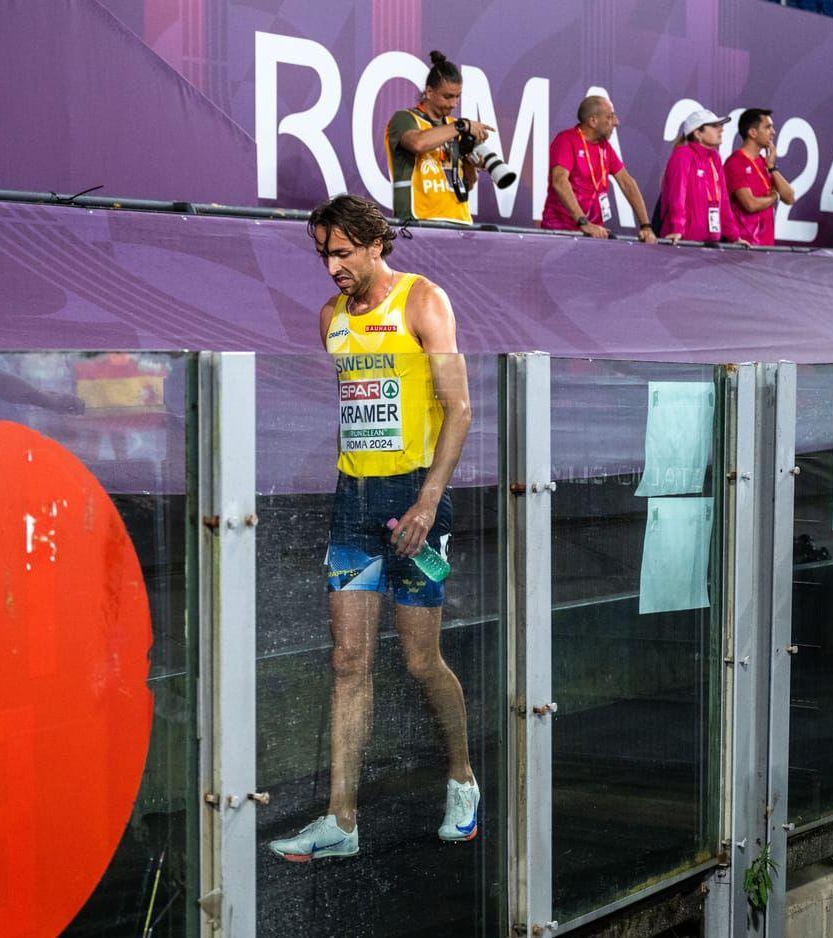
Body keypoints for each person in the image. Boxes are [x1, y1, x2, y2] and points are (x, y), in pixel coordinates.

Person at [268, 194, 478, 862]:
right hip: (353, 505)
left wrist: (426, 502)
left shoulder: (423, 301)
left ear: (374, 244)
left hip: (417, 502)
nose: (331, 267)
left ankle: (463, 778)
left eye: (341, 253)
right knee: (348, 659)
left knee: (420, 659)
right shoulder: (330, 319)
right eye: (323, 255)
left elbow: (461, 409)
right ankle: (342, 820)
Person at [385, 51, 495, 224]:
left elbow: (467, 185)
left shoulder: (454, 127)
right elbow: (418, 143)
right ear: (429, 92)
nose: (453, 103)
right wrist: (461, 126)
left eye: (457, 96)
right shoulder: (405, 119)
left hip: (460, 223)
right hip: (420, 221)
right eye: (448, 96)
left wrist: (469, 164)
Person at [539, 95, 657, 241]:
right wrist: (583, 222)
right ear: (593, 121)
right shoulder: (566, 140)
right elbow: (559, 182)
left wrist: (646, 226)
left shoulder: (604, 147)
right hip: (561, 233)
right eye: (610, 117)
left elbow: (627, 183)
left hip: (593, 234)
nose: (616, 122)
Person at [658, 109, 747, 245]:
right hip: (683, 243)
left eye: (720, 125)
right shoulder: (683, 154)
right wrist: (677, 229)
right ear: (698, 133)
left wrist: (734, 237)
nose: (721, 130)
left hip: (710, 243)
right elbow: (677, 195)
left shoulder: (715, 158)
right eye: (714, 126)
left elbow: (723, 200)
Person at [724, 109, 796, 246]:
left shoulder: (764, 163)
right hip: (743, 248)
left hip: (766, 248)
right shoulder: (735, 162)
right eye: (768, 127)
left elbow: (790, 197)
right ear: (752, 132)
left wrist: (772, 167)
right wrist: (775, 196)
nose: (773, 132)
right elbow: (750, 204)